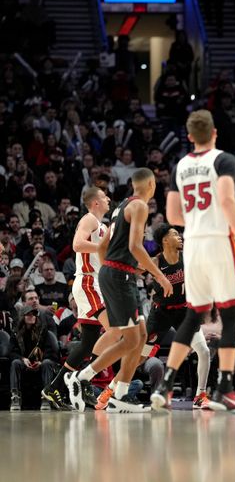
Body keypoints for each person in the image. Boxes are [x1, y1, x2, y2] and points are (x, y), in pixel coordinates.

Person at [151, 110, 235, 413]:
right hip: (217, 241)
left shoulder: (180, 166)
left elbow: (172, 216)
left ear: (189, 136)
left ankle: (165, 385)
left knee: (193, 315)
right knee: (230, 313)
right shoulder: (223, 159)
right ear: (214, 133)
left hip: (193, 244)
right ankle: (225, 389)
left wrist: (196, 220)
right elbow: (226, 200)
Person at [66, 168, 174, 413]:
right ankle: (81, 377)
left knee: (140, 336)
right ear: (150, 184)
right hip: (118, 276)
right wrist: (160, 277)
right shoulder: (139, 206)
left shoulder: (120, 207)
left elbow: (105, 245)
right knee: (131, 338)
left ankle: (119, 394)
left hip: (116, 273)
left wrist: (113, 266)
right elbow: (136, 246)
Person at [41, 187, 110, 411]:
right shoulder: (89, 219)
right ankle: (85, 380)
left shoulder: (104, 226)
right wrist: (102, 246)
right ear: (95, 202)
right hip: (88, 282)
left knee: (88, 342)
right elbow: (77, 244)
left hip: (99, 283)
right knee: (115, 331)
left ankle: (54, 387)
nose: (108, 198)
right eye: (104, 196)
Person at [142, 224, 211, 410]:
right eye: (174, 234)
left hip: (184, 311)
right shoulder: (155, 261)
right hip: (160, 313)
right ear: (164, 240)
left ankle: (200, 396)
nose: (180, 237)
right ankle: (116, 389)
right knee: (141, 356)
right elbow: (133, 267)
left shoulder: (188, 256)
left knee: (204, 351)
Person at [9, 305, 60, 411]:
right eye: (28, 314)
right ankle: (15, 397)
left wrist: (41, 362)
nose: (32, 317)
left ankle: (46, 397)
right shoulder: (15, 333)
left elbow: (52, 352)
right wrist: (22, 359)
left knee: (46, 363)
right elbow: (11, 352)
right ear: (22, 317)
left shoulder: (43, 332)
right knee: (15, 363)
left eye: (34, 314)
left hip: (41, 363)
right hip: (24, 363)